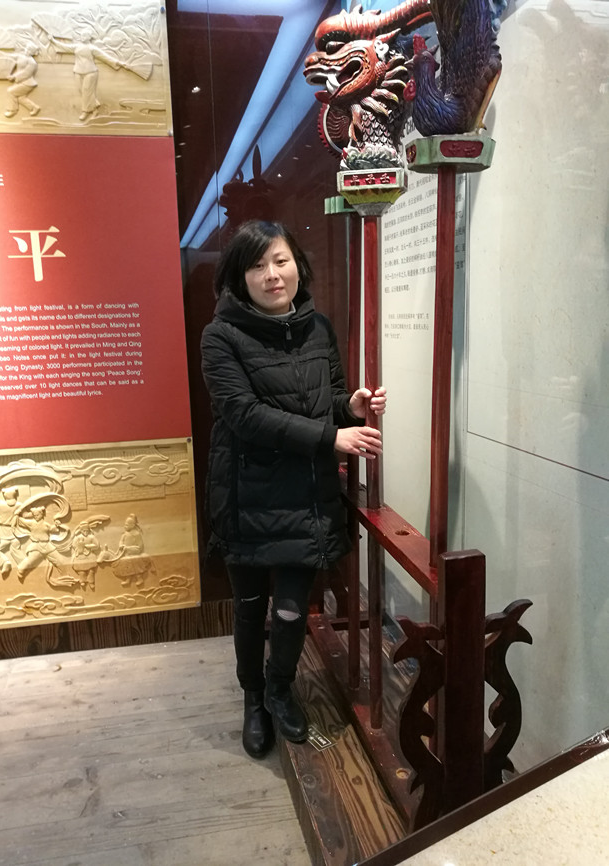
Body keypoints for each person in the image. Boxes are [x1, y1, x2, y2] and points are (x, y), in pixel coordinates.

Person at [201, 220, 386, 759]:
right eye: (257, 266)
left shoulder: (317, 328)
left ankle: (280, 689)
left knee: (289, 609)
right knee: (249, 605)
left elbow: (329, 396)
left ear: (297, 266)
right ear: (240, 277)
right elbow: (244, 414)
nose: (271, 274)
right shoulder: (220, 336)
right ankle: (252, 697)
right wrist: (331, 437)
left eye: (279, 261)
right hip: (246, 494)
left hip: (305, 494)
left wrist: (349, 406)